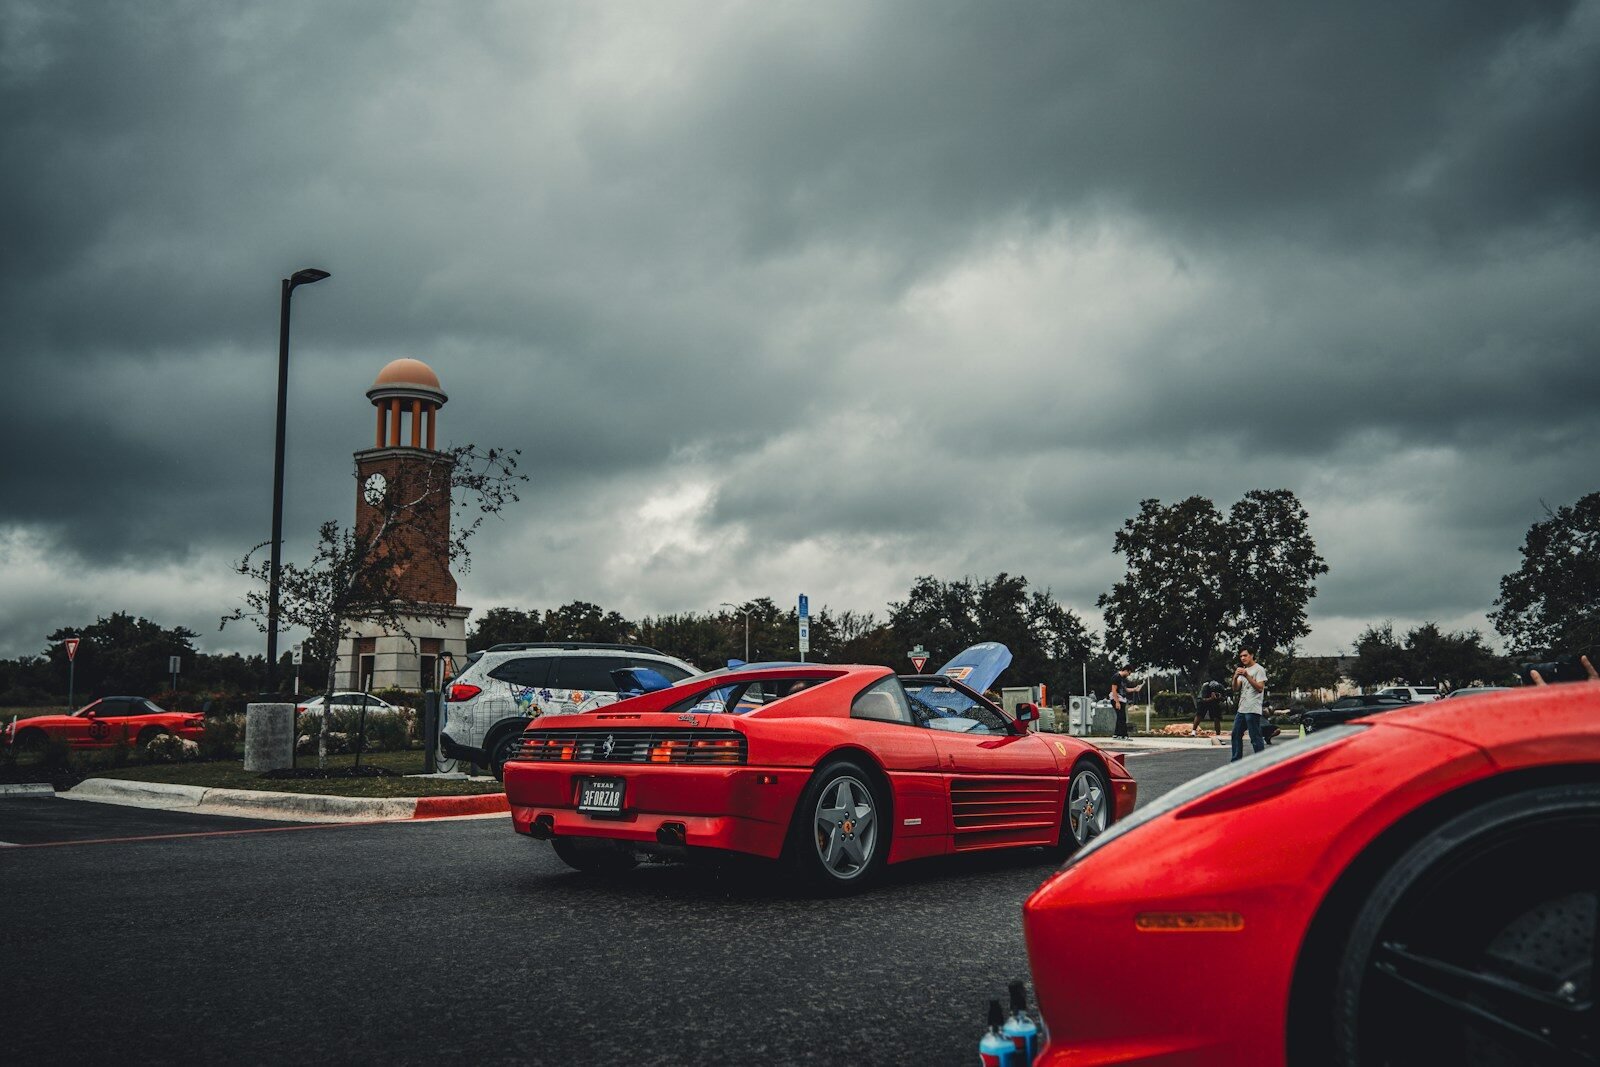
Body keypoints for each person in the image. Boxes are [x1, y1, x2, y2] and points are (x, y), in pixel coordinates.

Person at [1231, 648, 1268, 761]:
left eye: (1245, 655)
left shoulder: (1259, 669)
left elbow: (1260, 688)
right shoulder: (1243, 670)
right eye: (1241, 656)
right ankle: (1236, 761)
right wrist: (1235, 677)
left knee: (1255, 737)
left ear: (1251, 655)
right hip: (1242, 708)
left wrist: (1247, 676)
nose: (1243, 658)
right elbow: (1235, 688)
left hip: (1253, 708)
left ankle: (1261, 762)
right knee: (1235, 734)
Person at [1109, 665, 1143, 740]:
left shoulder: (1123, 679)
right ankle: (1124, 735)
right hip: (1117, 698)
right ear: (1126, 670)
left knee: (1120, 717)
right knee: (1122, 717)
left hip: (1122, 698)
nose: (1129, 675)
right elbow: (1113, 690)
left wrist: (1135, 689)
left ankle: (1116, 734)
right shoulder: (1116, 677)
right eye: (1129, 673)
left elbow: (1125, 689)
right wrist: (1117, 702)